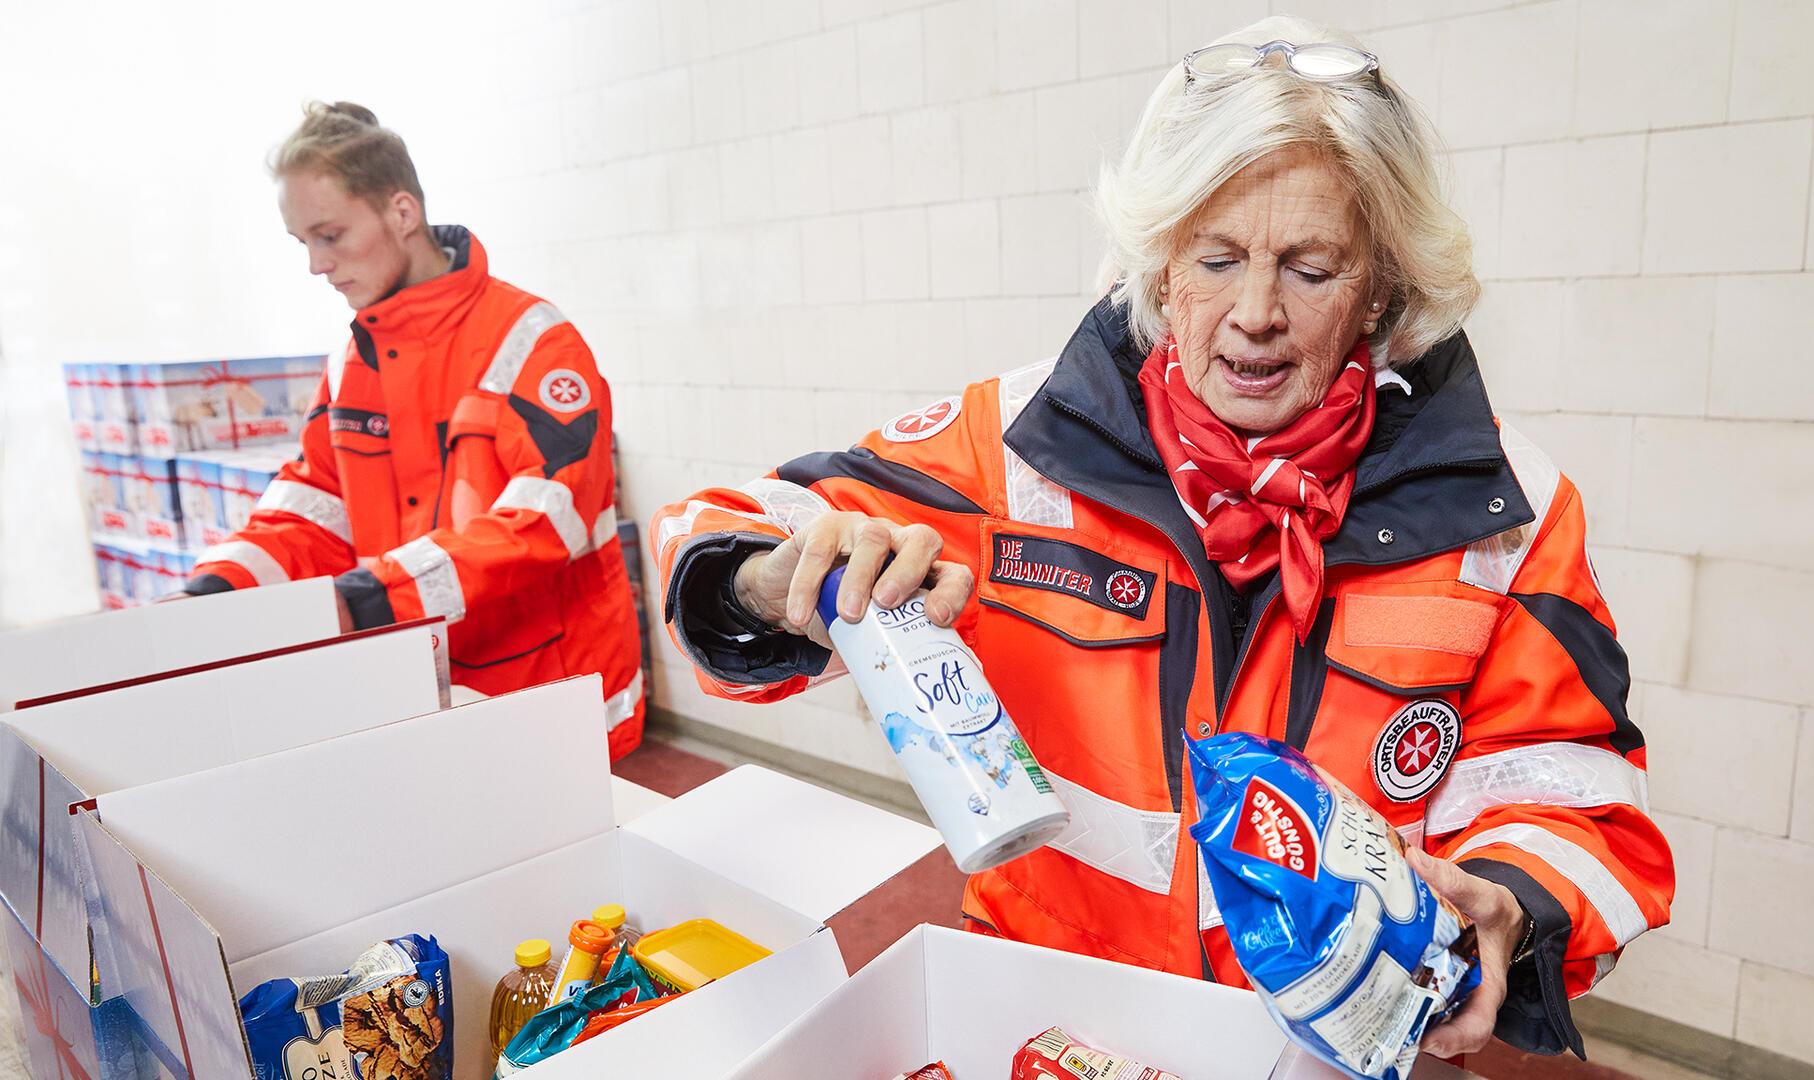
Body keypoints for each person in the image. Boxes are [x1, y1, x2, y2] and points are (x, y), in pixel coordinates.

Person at [650, 16, 1671, 1060]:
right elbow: (733, 527)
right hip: (1048, 1027)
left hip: (1321, 1053)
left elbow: (1576, 802)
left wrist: (1506, 901)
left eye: (1312, 269)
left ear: (1383, 285)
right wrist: (774, 586)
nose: (1256, 312)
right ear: (1158, 263)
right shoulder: (1014, 445)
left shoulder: (1507, 509)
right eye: (1216, 258)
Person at [182, 102, 645, 756]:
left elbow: (545, 523)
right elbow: (315, 508)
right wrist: (219, 589)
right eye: (302, 243)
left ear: (402, 213)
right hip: (421, 693)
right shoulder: (353, 362)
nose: (317, 265)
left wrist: (373, 600)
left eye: (330, 235)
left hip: (545, 700)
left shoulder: (534, 343)